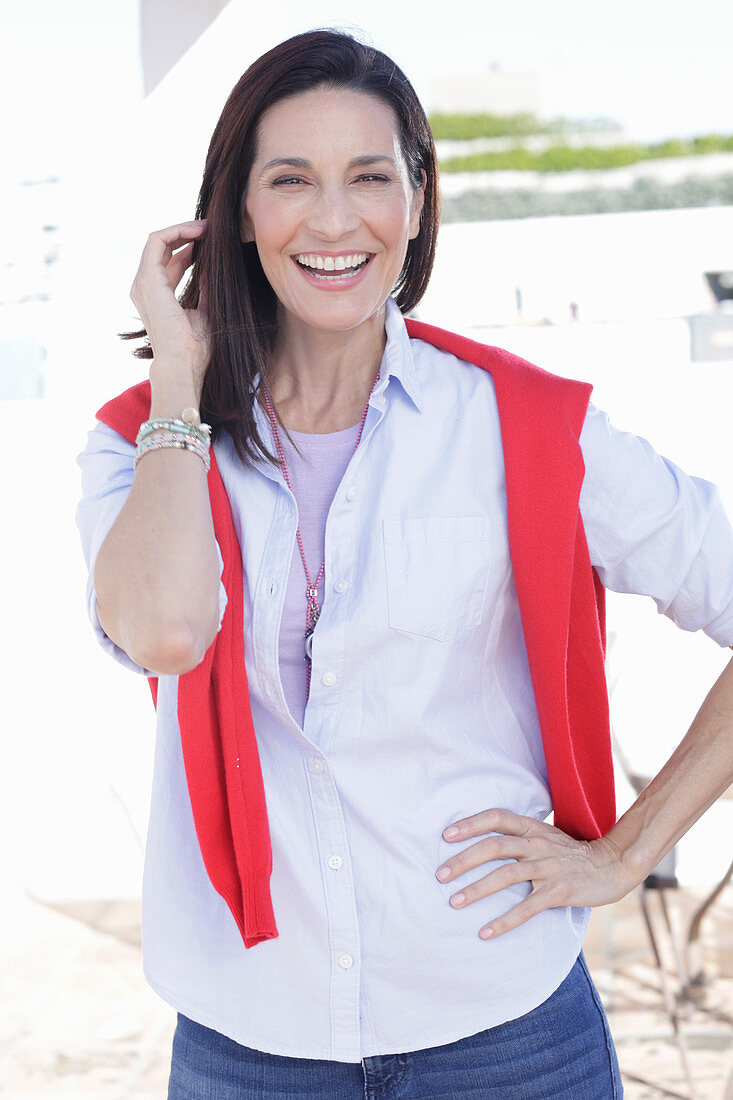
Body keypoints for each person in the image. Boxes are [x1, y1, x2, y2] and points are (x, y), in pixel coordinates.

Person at [76, 28, 733, 1100]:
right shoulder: (142, 441)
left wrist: (623, 849)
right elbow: (162, 628)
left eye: (370, 178)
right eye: (291, 180)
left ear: (418, 202)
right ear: (236, 210)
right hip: (250, 1044)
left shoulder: (525, 427)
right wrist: (180, 389)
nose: (334, 220)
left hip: (507, 1034)